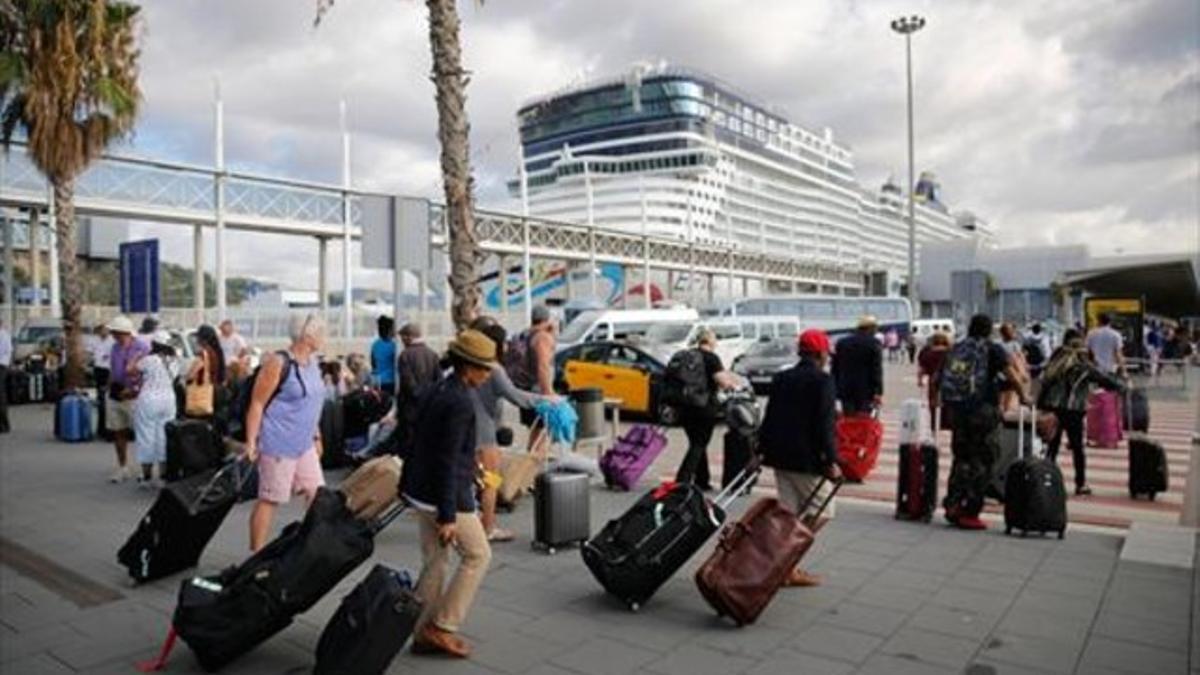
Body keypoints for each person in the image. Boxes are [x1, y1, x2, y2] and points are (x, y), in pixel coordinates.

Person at [399, 329, 497, 659]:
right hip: (444, 496)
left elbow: (418, 440)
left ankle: (420, 630)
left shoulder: (437, 387)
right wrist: (448, 515)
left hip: (420, 490)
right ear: (468, 366)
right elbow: (447, 460)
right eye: (484, 368)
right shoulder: (460, 403)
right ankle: (441, 626)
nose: (487, 374)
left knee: (436, 562)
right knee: (478, 555)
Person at [758, 328, 841, 587]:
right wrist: (831, 460)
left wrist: (760, 450)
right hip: (807, 461)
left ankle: (781, 566)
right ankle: (786, 565)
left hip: (779, 456)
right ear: (820, 354)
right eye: (826, 352)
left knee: (789, 515)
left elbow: (770, 416)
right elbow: (824, 425)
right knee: (823, 511)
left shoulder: (782, 378)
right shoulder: (823, 381)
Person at [244, 314, 328, 552]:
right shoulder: (278, 363)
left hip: (304, 443)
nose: (324, 337)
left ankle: (309, 546)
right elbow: (257, 404)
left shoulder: (313, 363)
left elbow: (312, 403)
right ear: (308, 336)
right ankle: (256, 552)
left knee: (316, 494)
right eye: (321, 332)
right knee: (271, 498)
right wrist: (251, 442)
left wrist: (316, 435)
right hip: (278, 442)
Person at [469, 318, 554, 542]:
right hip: (485, 435)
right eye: (504, 342)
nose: (508, 346)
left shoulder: (471, 364)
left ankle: (474, 519)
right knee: (491, 482)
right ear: (497, 344)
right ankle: (488, 527)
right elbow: (516, 396)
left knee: (475, 478)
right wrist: (547, 400)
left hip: (466, 431)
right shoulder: (494, 369)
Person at [941, 314, 1028, 530]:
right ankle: (970, 510)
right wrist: (1024, 397)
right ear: (989, 330)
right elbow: (1013, 376)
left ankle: (953, 504)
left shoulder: (957, 347)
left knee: (961, 458)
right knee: (985, 459)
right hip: (983, 412)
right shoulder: (992, 349)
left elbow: (940, 378)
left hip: (959, 411)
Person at [1038, 330, 1124, 496]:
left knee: (1052, 447)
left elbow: (1044, 383)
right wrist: (1122, 384)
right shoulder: (1083, 367)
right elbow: (1106, 380)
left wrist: (1041, 405)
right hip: (1074, 411)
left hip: (1052, 409)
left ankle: (1045, 479)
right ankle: (1080, 484)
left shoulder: (1056, 361)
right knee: (1077, 448)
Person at [674, 329, 737, 490]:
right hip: (704, 407)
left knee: (696, 442)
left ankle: (702, 481)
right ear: (709, 341)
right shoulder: (711, 358)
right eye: (715, 339)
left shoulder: (687, 356)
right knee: (699, 443)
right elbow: (723, 382)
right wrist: (733, 384)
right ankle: (682, 480)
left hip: (685, 406)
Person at [129, 338, 179, 488]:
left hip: (149, 399)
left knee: (146, 436)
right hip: (169, 400)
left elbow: (130, 370)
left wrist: (136, 357)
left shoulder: (149, 360)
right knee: (164, 437)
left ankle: (146, 477)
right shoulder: (174, 360)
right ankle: (163, 477)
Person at [106, 316, 150, 482]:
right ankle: (123, 466)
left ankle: (143, 468)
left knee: (140, 433)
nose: (113, 336)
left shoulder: (142, 347)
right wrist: (109, 387)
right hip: (116, 392)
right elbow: (113, 368)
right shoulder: (115, 348)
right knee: (118, 430)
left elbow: (147, 373)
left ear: (124, 332)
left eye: (115, 332)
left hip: (134, 395)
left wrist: (134, 390)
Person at [396, 322, 443, 448]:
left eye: (402, 338)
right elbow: (439, 381)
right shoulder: (433, 355)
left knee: (410, 445)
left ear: (408, 337)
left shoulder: (405, 356)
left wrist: (418, 396)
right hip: (430, 407)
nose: (402, 342)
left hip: (410, 409)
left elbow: (408, 384)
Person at [520, 305, 558, 450]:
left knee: (536, 433)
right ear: (546, 319)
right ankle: (536, 468)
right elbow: (543, 366)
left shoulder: (526, 334)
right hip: (538, 391)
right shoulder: (542, 337)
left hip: (526, 388)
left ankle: (531, 466)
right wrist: (548, 392)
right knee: (542, 435)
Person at [831, 315, 883, 414]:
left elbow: (835, 368)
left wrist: (834, 387)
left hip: (845, 389)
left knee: (848, 419)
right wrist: (878, 391)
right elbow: (876, 369)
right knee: (863, 420)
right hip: (866, 390)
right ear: (870, 328)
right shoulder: (874, 343)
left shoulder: (842, 343)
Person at [185, 324, 228, 423]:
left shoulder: (204, 354)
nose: (196, 340)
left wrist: (187, 379)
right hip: (216, 392)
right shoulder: (217, 352)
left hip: (203, 396)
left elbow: (191, 375)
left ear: (203, 339)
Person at [917, 330, 952, 432]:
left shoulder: (927, 353)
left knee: (933, 404)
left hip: (933, 382)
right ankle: (947, 424)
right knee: (948, 404)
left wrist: (920, 380)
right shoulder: (951, 352)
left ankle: (934, 425)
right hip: (949, 382)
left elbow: (922, 369)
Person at [89, 324, 114, 439]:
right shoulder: (94, 340)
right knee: (101, 400)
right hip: (98, 370)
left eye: (106, 330)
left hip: (109, 371)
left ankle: (109, 429)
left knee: (108, 399)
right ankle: (101, 429)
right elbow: (90, 354)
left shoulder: (112, 342)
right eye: (101, 330)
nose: (104, 332)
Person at [998, 322, 1029, 414]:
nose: (1013, 333)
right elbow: (1018, 361)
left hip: (1001, 375)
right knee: (1008, 400)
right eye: (1011, 331)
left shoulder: (998, 345)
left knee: (1002, 400)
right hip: (1012, 375)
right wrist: (1024, 373)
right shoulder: (1015, 345)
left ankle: (1001, 415)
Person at [370, 315, 397, 397]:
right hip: (390, 382)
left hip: (377, 381)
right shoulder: (394, 346)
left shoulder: (375, 345)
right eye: (394, 328)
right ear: (389, 330)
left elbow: (373, 364)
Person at [0, 318, 10, 434]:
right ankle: (4, 424)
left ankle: (3, 425)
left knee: (1, 395)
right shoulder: (5, 335)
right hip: (3, 365)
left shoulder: (2, 335)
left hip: (1, 365)